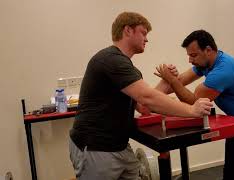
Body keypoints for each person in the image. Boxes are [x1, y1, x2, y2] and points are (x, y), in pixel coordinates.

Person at [68, 13, 212, 180]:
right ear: (128, 30)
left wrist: (167, 81)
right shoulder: (110, 59)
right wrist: (192, 110)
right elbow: (147, 98)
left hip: (119, 146)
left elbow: (143, 107)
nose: (147, 39)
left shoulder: (130, 69)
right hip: (96, 147)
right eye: (143, 33)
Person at [155, 30, 234, 180]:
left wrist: (172, 80)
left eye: (193, 55)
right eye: (189, 55)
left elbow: (195, 101)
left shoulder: (223, 71)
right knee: (232, 172)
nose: (190, 60)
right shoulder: (207, 63)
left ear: (208, 50)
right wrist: (154, 95)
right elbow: (181, 80)